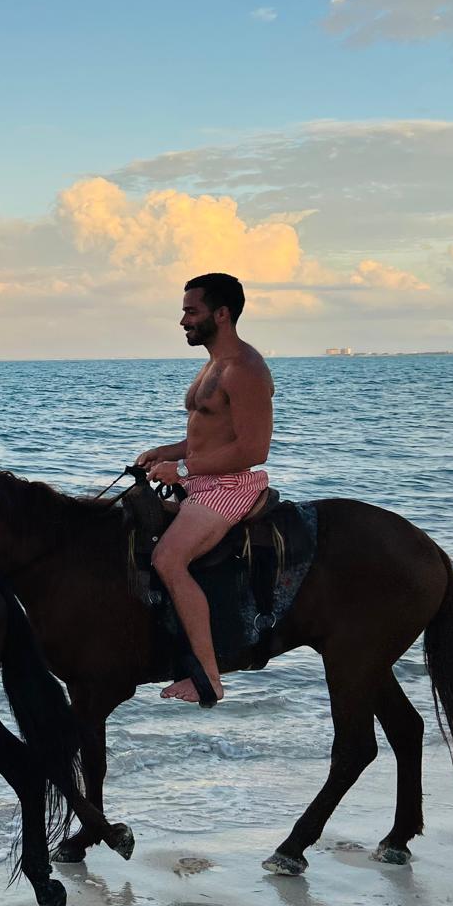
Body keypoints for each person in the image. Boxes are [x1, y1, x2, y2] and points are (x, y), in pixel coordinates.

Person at [136, 273, 275, 706]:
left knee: (169, 558)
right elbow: (208, 437)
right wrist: (167, 451)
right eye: (183, 311)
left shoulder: (245, 369)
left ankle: (209, 679)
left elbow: (255, 448)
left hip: (231, 485)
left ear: (222, 314)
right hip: (203, 479)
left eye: (191, 311)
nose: (182, 321)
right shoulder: (213, 364)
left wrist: (182, 467)